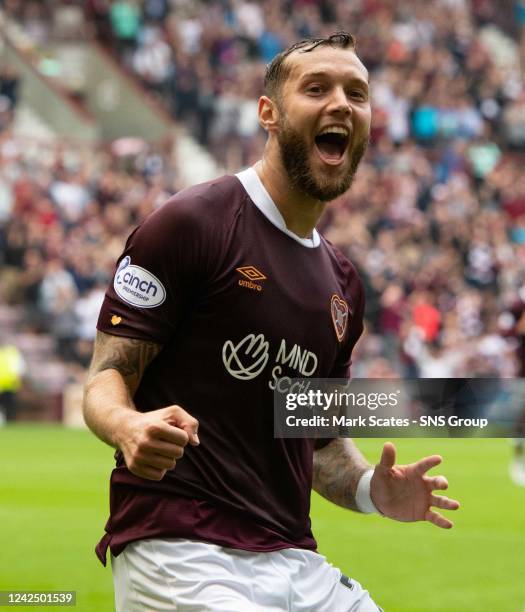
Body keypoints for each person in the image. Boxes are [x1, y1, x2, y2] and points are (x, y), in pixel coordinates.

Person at [83, 32, 460, 611]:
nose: (341, 103)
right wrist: (127, 427)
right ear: (269, 113)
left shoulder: (344, 284)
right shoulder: (193, 223)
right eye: (317, 88)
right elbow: (105, 378)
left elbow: (318, 438)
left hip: (292, 557)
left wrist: (369, 490)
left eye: (356, 93)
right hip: (179, 548)